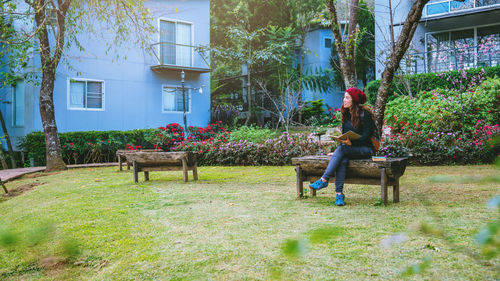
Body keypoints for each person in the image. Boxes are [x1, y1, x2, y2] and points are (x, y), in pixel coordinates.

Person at [309, 88, 375, 206]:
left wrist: (351, 144)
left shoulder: (365, 114)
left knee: (343, 150)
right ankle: (339, 195)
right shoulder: (346, 115)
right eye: (344, 97)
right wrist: (337, 151)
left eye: (347, 97)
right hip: (350, 150)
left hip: (366, 149)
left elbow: (366, 136)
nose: (344, 100)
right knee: (342, 159)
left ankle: (324, 180)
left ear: (354, 100)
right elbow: (345, 138)